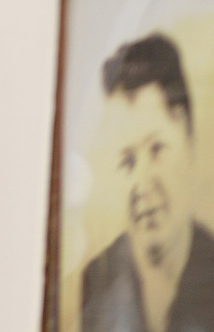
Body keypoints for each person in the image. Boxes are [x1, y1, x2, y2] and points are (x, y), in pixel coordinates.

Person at [83, 34, 214, 332]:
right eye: (127, 160)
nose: (142, 185)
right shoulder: (95, 283)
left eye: (157, 150)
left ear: (189, 143)